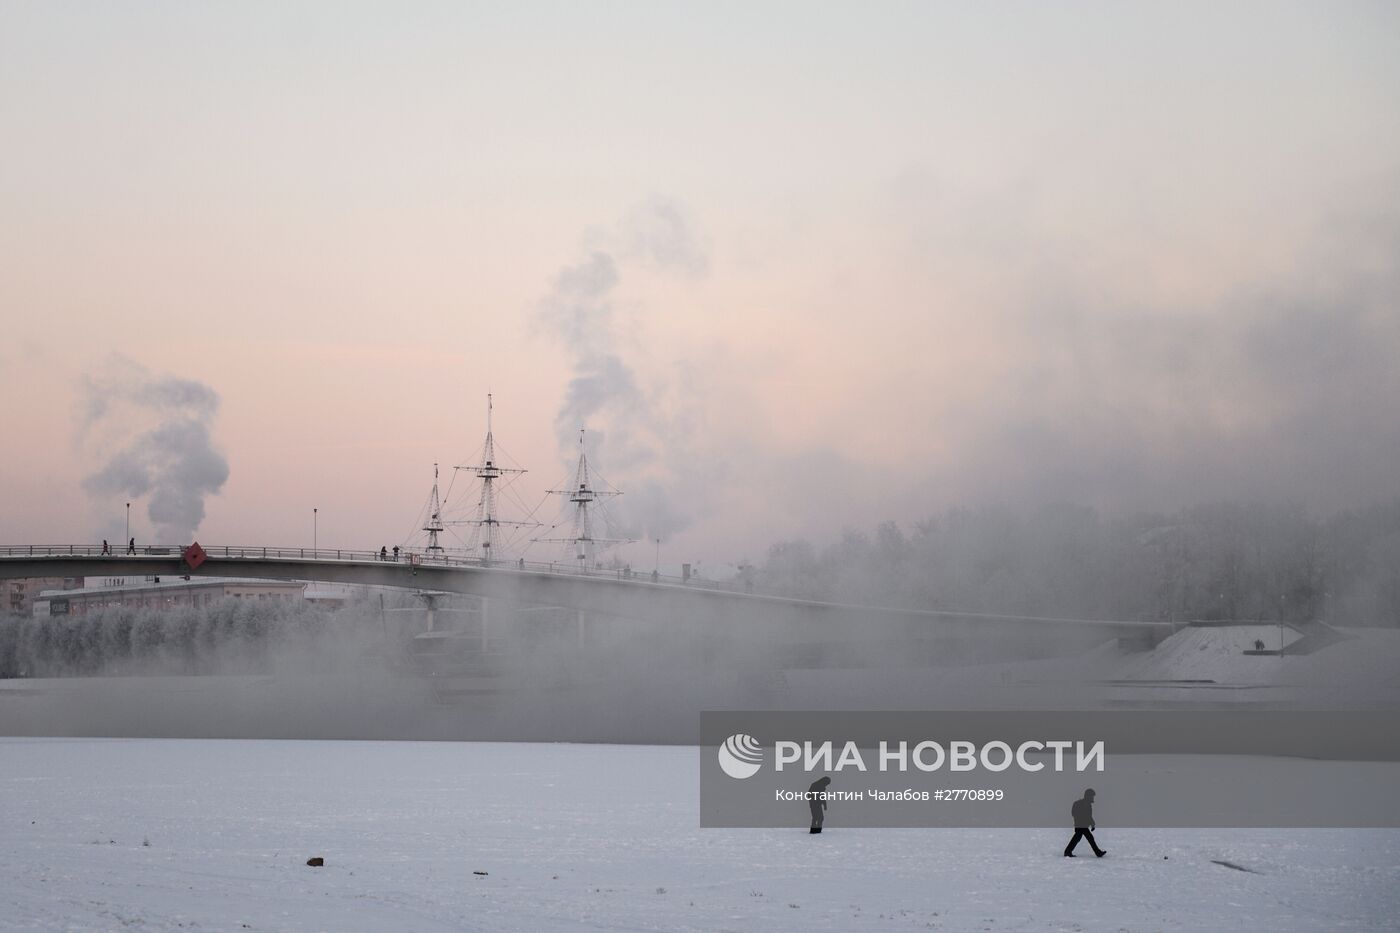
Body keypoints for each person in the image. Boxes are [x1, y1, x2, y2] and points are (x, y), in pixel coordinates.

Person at [1064, 788, 1106, 857]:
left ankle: (1067, 851)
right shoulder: (1080, 804)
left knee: (1078, 838)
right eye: (1092, 796)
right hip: (1080, 825)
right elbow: (1074, 813)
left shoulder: (1088, 805)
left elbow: (1089, 816)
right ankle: (1098, 853)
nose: (1093, 797)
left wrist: (1092, 824)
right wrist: (1082, 820)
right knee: (1088, 838)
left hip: (1083, 825)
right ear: (1088, 796)